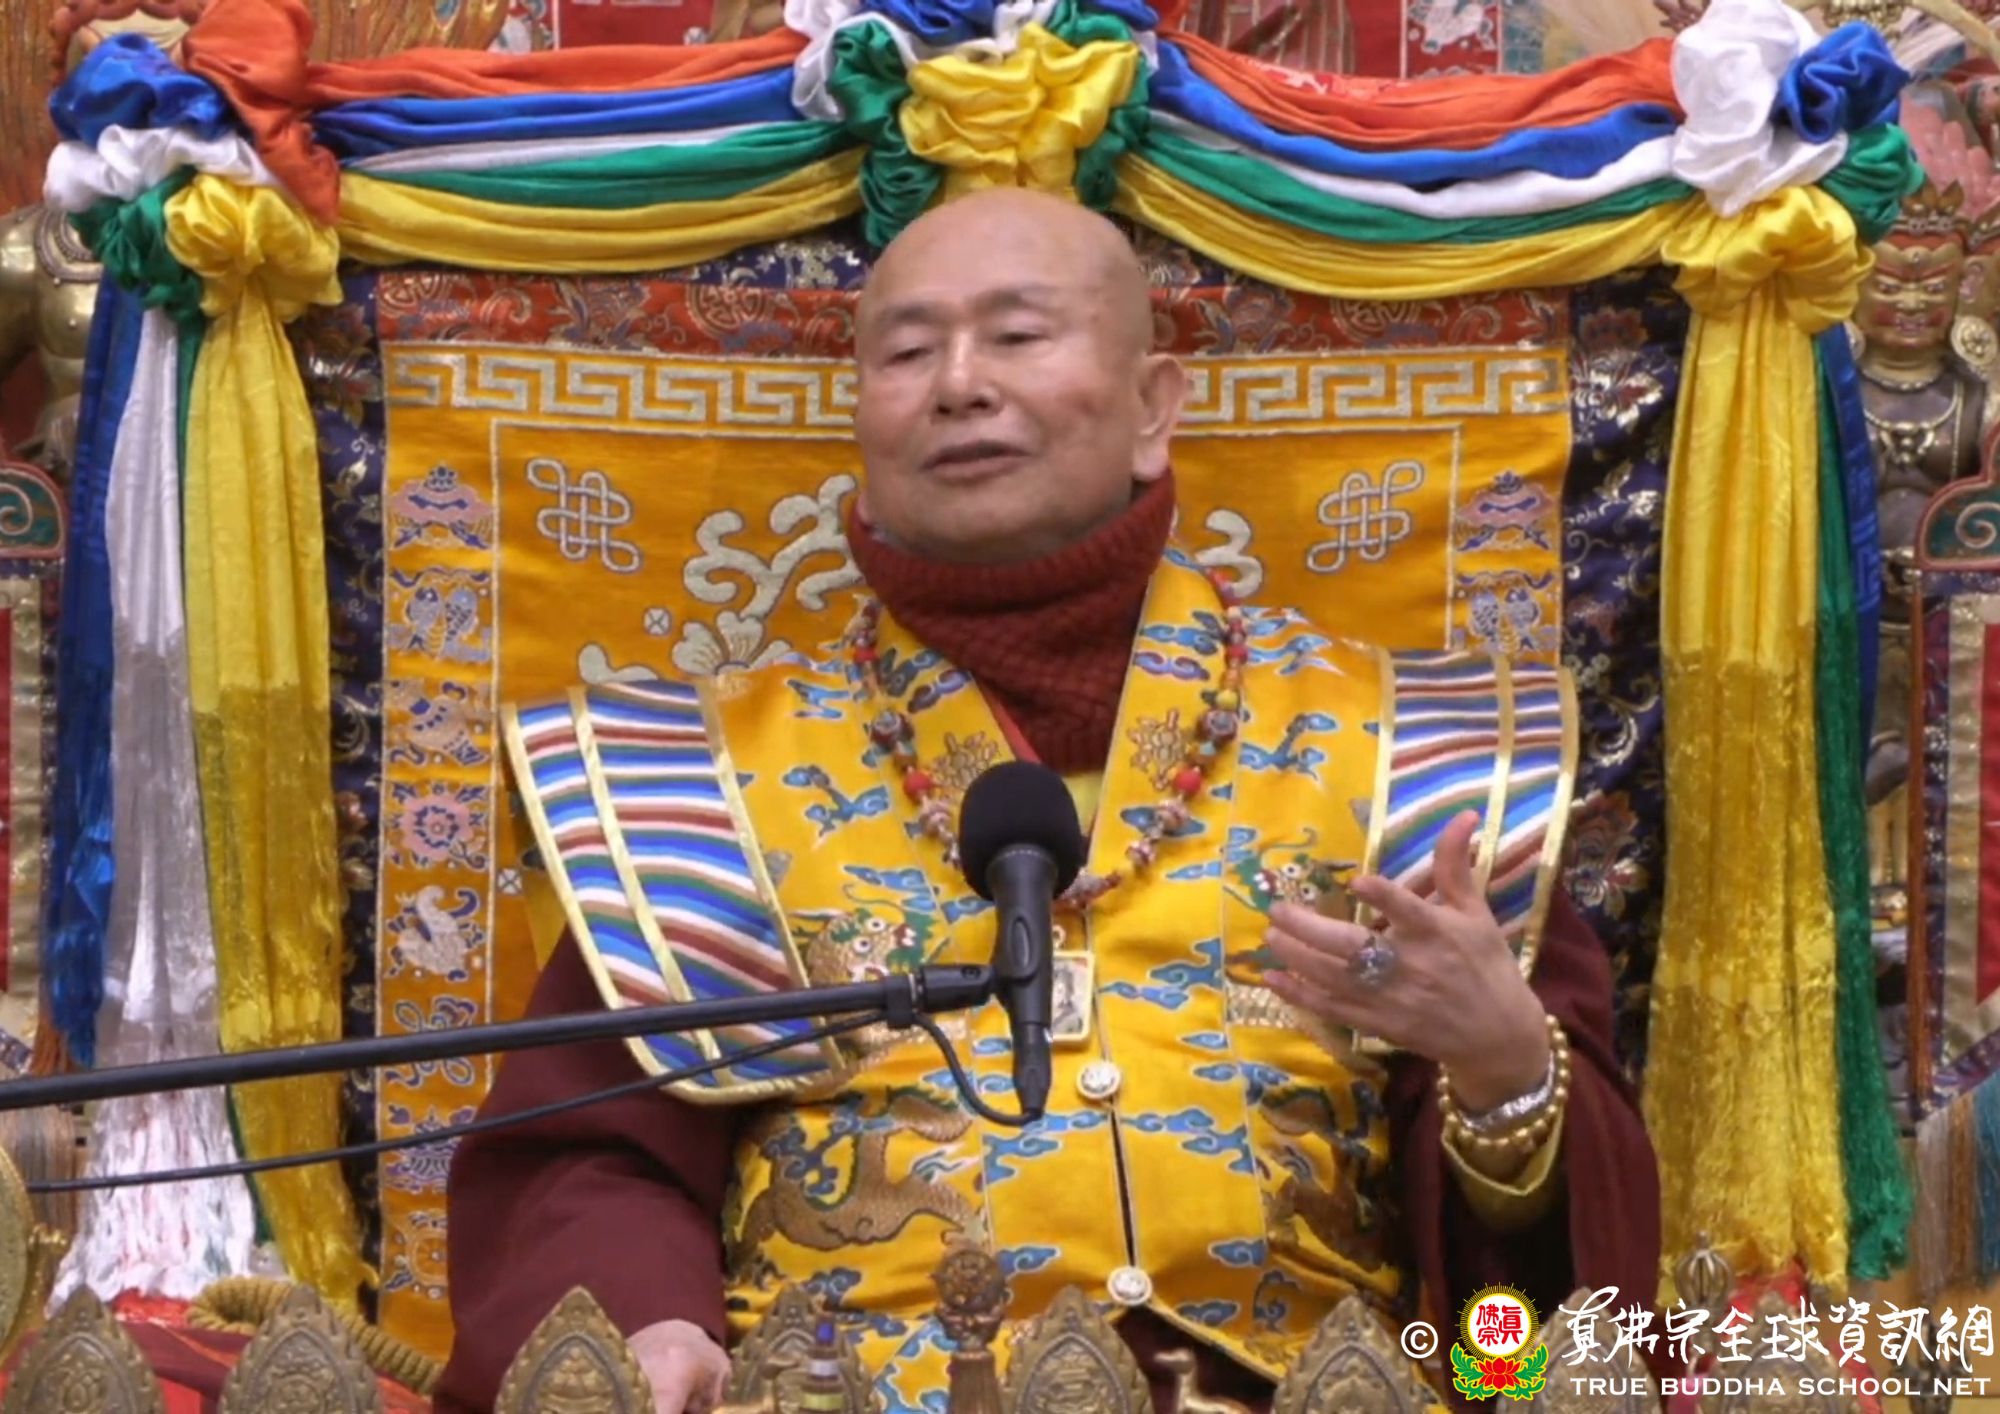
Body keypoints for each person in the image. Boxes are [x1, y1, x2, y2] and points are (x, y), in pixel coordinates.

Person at [432, 187, 1660, 1414]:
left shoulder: (1409, 754)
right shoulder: (698, 774)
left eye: (1017, 335)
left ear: (1152, 405)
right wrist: (645, 1323)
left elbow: (1542, 1310)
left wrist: (1504, 1066)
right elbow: (585, 1156)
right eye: (907, 352)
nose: (959, 384)